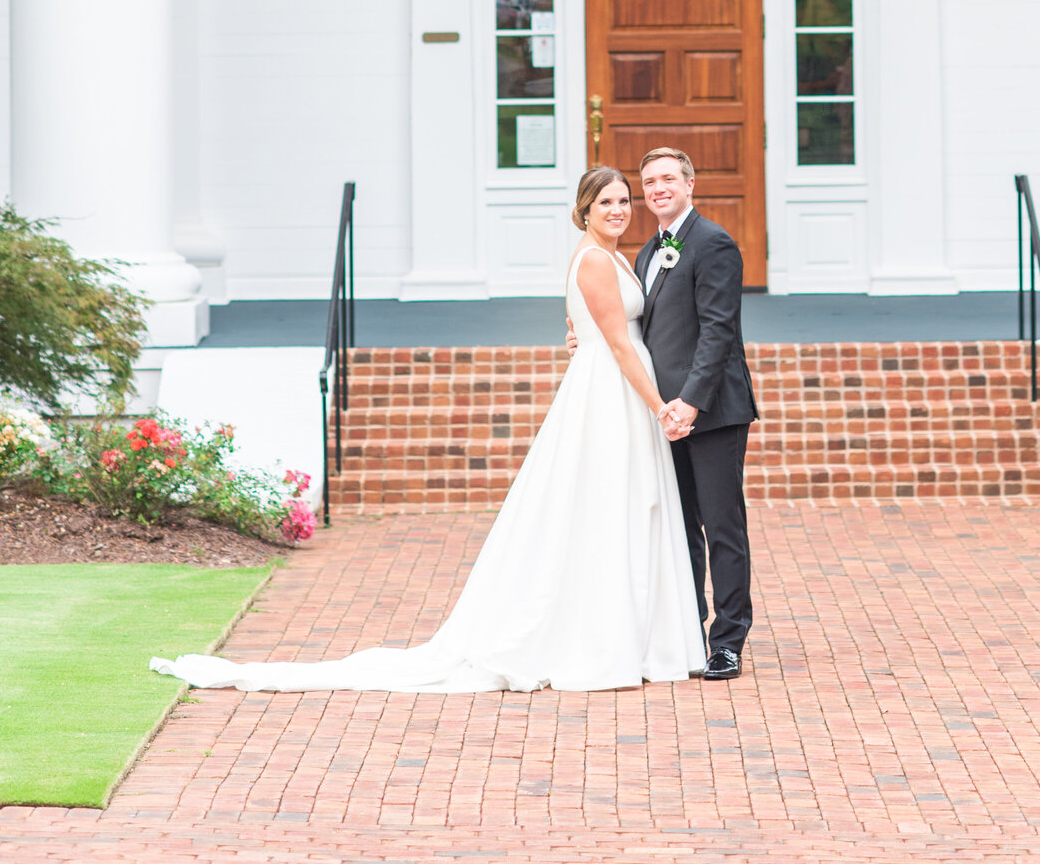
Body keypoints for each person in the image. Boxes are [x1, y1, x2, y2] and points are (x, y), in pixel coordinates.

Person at [149, 166, 704, 694]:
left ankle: (629, 633)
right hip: (611, 394)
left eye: (623, 200)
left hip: (613, 390)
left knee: (622, 507)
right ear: (583, 210)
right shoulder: (593, 261)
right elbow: (617, 344)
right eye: (605, 202)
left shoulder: (615, 257)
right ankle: (601, 640)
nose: (618, 209)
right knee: (605, 507)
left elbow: (612, 329)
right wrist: (660, 405)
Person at [634, 147, 758, 681]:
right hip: (665, 413)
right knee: (681, 528)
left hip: (711, 410)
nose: (658, 187)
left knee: (721, 524)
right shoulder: (646, 251)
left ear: (690, 184)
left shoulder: (714, 243)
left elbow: (718, 330)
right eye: (650, 181)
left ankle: (728, 640)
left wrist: (691, 400)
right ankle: (690, 631)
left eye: (667, 178)